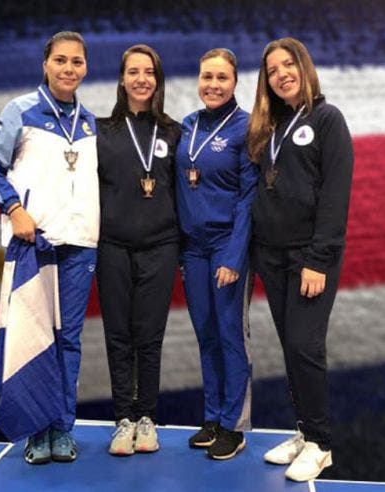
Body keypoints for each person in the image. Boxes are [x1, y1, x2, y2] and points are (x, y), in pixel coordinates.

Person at [0, 31, 98, 465]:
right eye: (61, 60)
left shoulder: (89, 122)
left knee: (69, 341)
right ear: (46, 64)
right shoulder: (21, 110)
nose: (69, 69)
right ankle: (34, 431)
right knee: (33, 339)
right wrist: (14, 208)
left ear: (85, 67)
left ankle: (62, 429)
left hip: (80, 247)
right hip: (35, 245)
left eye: (77, 62)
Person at [246, 37, 354, 481]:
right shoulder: (268, 127)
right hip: (270, 255)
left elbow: (334, 197)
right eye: (272, 70)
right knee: (292, 347)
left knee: (307, 346)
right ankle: (305, 431)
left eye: (288, 65)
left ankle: (322, 444)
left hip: (310, 258)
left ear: (304, 68)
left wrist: (318, 258)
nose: (281, 74)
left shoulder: (327, 119)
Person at [96, 44, 181, 457]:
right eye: (134, 71)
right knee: (118, 336)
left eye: (149, 72)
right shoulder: (100, 132)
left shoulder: (174, 132)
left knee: (150, 337)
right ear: (122, 79)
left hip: (161, 247)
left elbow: (186, 193)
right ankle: (122, 420)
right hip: (112, 248)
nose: (142, 79)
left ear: (158, 79)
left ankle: (147, 417)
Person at [174, 48, 257, 460]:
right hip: (193, 249)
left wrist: (235, 256)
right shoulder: (188, 125)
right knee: (206, 335)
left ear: (235, 82)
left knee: (230, 336)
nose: (213, 85)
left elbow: (248, 198)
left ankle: (234, 426)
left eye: (222, 78)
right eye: (207, 76)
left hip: (227, 247)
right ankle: (211, 418)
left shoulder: (246, 128)